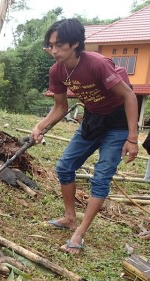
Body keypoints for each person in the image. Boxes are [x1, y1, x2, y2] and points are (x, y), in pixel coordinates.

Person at [31, 18, 139, 254]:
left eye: (60, 45)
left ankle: (79, 233)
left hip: (117, 123)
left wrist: (132, 138)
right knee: (64, 167)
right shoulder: (56, 71)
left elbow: (130, 96)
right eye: (51, 45)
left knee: (101, 178)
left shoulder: (97, 64)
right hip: (93, 119)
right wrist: (40, 126)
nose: (54, 51)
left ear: (76, 44)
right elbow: (60, 106)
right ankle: (70, 218)